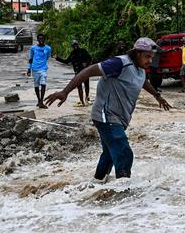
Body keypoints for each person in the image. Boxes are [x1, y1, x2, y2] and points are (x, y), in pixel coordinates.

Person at [44, 37, 171, 180]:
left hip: (120, 117)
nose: (150, 61)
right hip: (105, 115)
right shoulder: (118, 63)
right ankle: (123, 191)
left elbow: (142, 82)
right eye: (147, 56)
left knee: (110, 154)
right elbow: (88, 71)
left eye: (152, 57)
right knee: (123, 152)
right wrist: (65, 92)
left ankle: (97, 183)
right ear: (137, 53)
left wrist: (157, 95)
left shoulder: (140, 70)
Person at [55, 40, 92, 106]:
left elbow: (90, 58)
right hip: (77, 72)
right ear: (72, 46)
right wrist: (57, 58)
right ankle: (81, 101)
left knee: (86, 85)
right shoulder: (72, 53)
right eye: (74, 45)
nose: (75, 46)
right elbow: (66, 61)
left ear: (78, 44)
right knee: (79, 87)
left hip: (85, 71)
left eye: (76, 45)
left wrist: (86, 63)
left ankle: (87, 98)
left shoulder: (83, 51)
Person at [27, 33, 52, 109]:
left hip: (43, 69)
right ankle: (39, 100)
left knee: (43, 84)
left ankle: (41, 101)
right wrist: (29, 69)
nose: (41, 40)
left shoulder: (48, 48)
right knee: (36, 85)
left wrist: (42, 62)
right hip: (34, 69)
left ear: (44, 39)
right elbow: (30, 59)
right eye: (39, 39)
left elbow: (48, 57)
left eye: (42, 39)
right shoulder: (33, 48)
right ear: (37, 40)